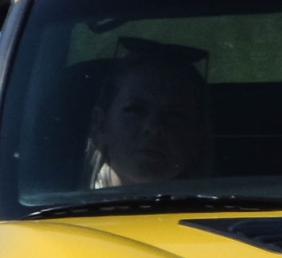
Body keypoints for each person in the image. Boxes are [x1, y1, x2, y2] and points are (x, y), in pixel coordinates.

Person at [89, 52, 212, 187]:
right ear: (100, 124)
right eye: (135, 110)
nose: (154, 127)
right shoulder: (63, 200)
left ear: (198, 134)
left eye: (175, 115)